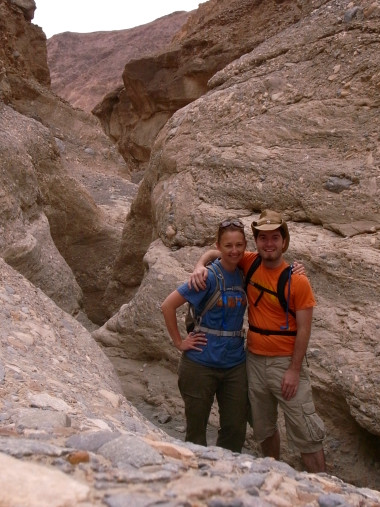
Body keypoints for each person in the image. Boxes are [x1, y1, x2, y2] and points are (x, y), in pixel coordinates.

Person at [190, 210, 326, 473]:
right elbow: (215, 252)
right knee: (264, 428)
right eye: (263, 238)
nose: (269, 244)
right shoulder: (249, 262)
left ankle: (327, 490)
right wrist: (199, 265)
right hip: (253, 360)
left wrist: (294, 370)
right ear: (256, 242)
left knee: (306, 432)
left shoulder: (298, 280)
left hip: (286, 363)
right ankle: (271, 475)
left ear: (284, 241)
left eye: (275, 238)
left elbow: (305, 330)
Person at [161, 218, 249, 452]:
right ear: (219, 246)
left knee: (235, 428)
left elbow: (273, 262)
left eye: (239, 245)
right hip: (200, 363)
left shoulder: (244, 272)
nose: (234, 250)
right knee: (196, 430)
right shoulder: (207, 277)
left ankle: (227, 476)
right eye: (228, 245)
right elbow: (168, 306)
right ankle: (198, 477)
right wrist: (179, 343)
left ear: (245, 245)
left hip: (234, 365)